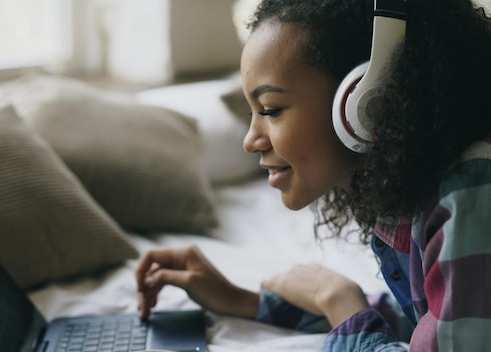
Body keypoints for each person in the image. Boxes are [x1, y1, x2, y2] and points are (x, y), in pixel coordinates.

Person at [136, 0, 491, 350]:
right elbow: (425, 316)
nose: (250, 141)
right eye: (252, 114)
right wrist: (242, 300)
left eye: (271, 110)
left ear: (366, 100)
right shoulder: (417, 193)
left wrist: (339, 301)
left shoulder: (468, 190)